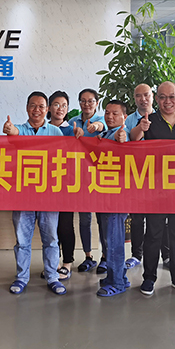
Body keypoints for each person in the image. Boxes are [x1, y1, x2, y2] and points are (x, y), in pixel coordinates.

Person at [130, 81, 175, 296]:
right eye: (162, 97)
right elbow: (132, 142)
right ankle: (149, 278)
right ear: (156, 99)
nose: (167, 101)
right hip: (155, 189)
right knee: (153, 234)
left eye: (172, 97)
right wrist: (140, 129)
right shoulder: (148, 121)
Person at [3, 91, 67, 296]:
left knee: (51, 240)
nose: (36, 110)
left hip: (49, 196)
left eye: (41, 106)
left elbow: (63, 160)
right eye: (32, 105)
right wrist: (10, 131)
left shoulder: (56, 132)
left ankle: (52, 277)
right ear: (26, 108)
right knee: (22, 241)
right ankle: (22, 277)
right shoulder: (19, 130)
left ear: (47, 110)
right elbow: (12, 139)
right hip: (23, 195)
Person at [66, 88, 108, 274]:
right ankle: (88, 256)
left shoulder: (103, 119)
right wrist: (74, 134)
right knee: (84, 219)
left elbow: (103, 127)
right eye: (83, 101)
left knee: (102, 219)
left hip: (100, 177)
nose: (87, 104)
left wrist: (97, 127)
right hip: (80, 177)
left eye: (91, 101)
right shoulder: (73, 122)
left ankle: (105, 257)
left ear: (97, 103)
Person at [123, 83, 162, 270]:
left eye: (146, 95)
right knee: (137, 218)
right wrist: (140, 128)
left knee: (161, 217)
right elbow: (126, 142)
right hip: (136, 175)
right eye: (138, 95)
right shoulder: (129, 120)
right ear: (134, 98)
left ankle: (166, 254)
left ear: (153, 96)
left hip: (160, 175)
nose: (143, 99)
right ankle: (136, 255)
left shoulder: (162, 117)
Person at [95, 100, 131, 297]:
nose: (110, 116)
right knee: (108, 239)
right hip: (103, 194)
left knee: (114, 240)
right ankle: (118, 277)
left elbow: (124, 140)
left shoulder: (122, 134)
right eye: (107, 113)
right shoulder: (105, 134)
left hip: (117, 197)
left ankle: (116, 282)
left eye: (115, 113)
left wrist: (121, 138)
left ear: (124, 117)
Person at [48, 91, 76, 279]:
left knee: (65, 225)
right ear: (49, 107)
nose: (60, 109)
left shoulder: (72, 130)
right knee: (50, 227)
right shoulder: (43, 129)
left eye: (64, 105)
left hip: (66, 183)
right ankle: (53, 263)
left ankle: (67, 262)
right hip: (46, 184)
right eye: (57, 104)